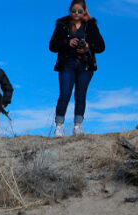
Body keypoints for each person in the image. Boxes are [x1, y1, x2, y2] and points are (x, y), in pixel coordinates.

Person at [49, 0, 105, 137]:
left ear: (84, 11)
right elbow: (52, 46)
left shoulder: (91, 26)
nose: (76, 14)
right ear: (69, 10)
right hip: (67, 64)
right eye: (74, 11)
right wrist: (67, 43)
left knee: (80, 95)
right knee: (65, 94)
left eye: (80, 11)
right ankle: (58, 127)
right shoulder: (62, 25)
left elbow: (101, 47)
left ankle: (77, 127)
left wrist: (87, 46)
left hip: (85, 65)